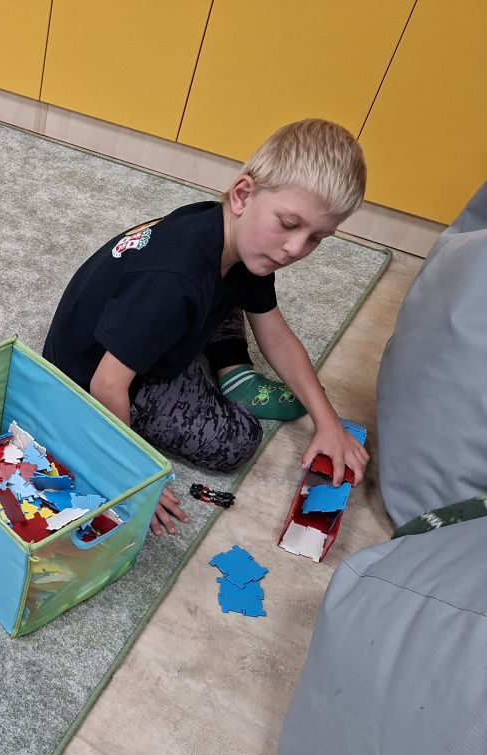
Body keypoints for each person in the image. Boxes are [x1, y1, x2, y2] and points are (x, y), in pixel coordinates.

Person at [43, 119, 370, 536]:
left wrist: (328, 422)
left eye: (316, 238)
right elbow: (107, 385)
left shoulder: (240, 240)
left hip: (139, 317)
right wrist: (131, 475)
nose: (295, 249)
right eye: (289, 224)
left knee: (238, 289)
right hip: (89, 379)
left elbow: (275, 334)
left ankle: (230, 366)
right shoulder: (174, 280)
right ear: (243, 195)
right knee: (237, 441)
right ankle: (224, 365)